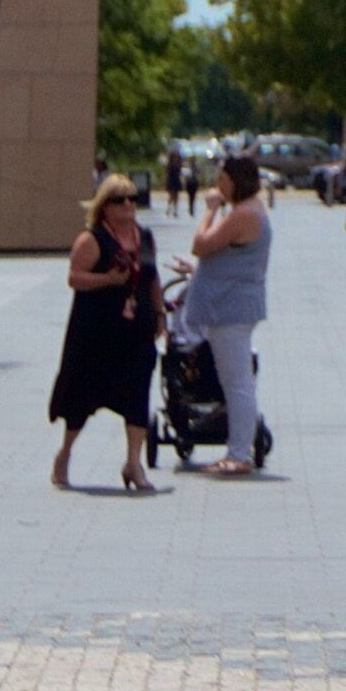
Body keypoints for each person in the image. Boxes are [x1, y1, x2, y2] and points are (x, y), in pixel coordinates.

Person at [51, 177, 163, 493]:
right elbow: (75, 278)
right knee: (81, 395)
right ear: (105, 206)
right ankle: (65, 453)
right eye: (119, 200)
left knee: (138, 392)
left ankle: (133, 463)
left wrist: (159, 313)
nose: (128, 204)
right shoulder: (93, 239)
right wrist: (109, 280)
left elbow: (152, 278)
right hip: (96, 330)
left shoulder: (145, 237)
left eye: (132, 198)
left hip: (137, 330)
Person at [183, 153, 274, 477]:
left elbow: (202, 244)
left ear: (236, 181)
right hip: (233, 305)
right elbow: (228, 256)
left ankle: (239, 453)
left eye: (223, 181)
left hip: (230, 310)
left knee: (237, 382)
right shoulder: (249, 212)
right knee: (235, 380)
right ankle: (238, 448)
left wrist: (209, 209)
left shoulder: (242, 214)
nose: (218, 187)